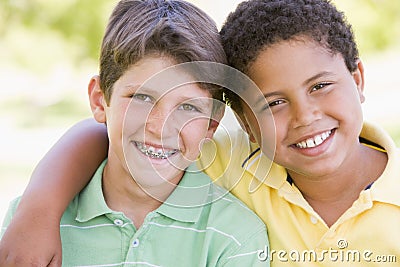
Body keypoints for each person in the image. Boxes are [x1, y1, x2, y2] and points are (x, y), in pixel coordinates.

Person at [2, 0, 399, 266]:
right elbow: (101, 135)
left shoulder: (233, 212)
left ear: (358, 78)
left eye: (320, 86)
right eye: (273, 103)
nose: (305, 117)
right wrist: (39, 211)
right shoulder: (231, 160)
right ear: (247, 123)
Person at [0, 0, 270, 266]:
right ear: (98, 100)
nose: (159, 126)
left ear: (212, 123)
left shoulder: (234, 239)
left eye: (188, 107)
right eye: (141, 97)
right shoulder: (29, 226)